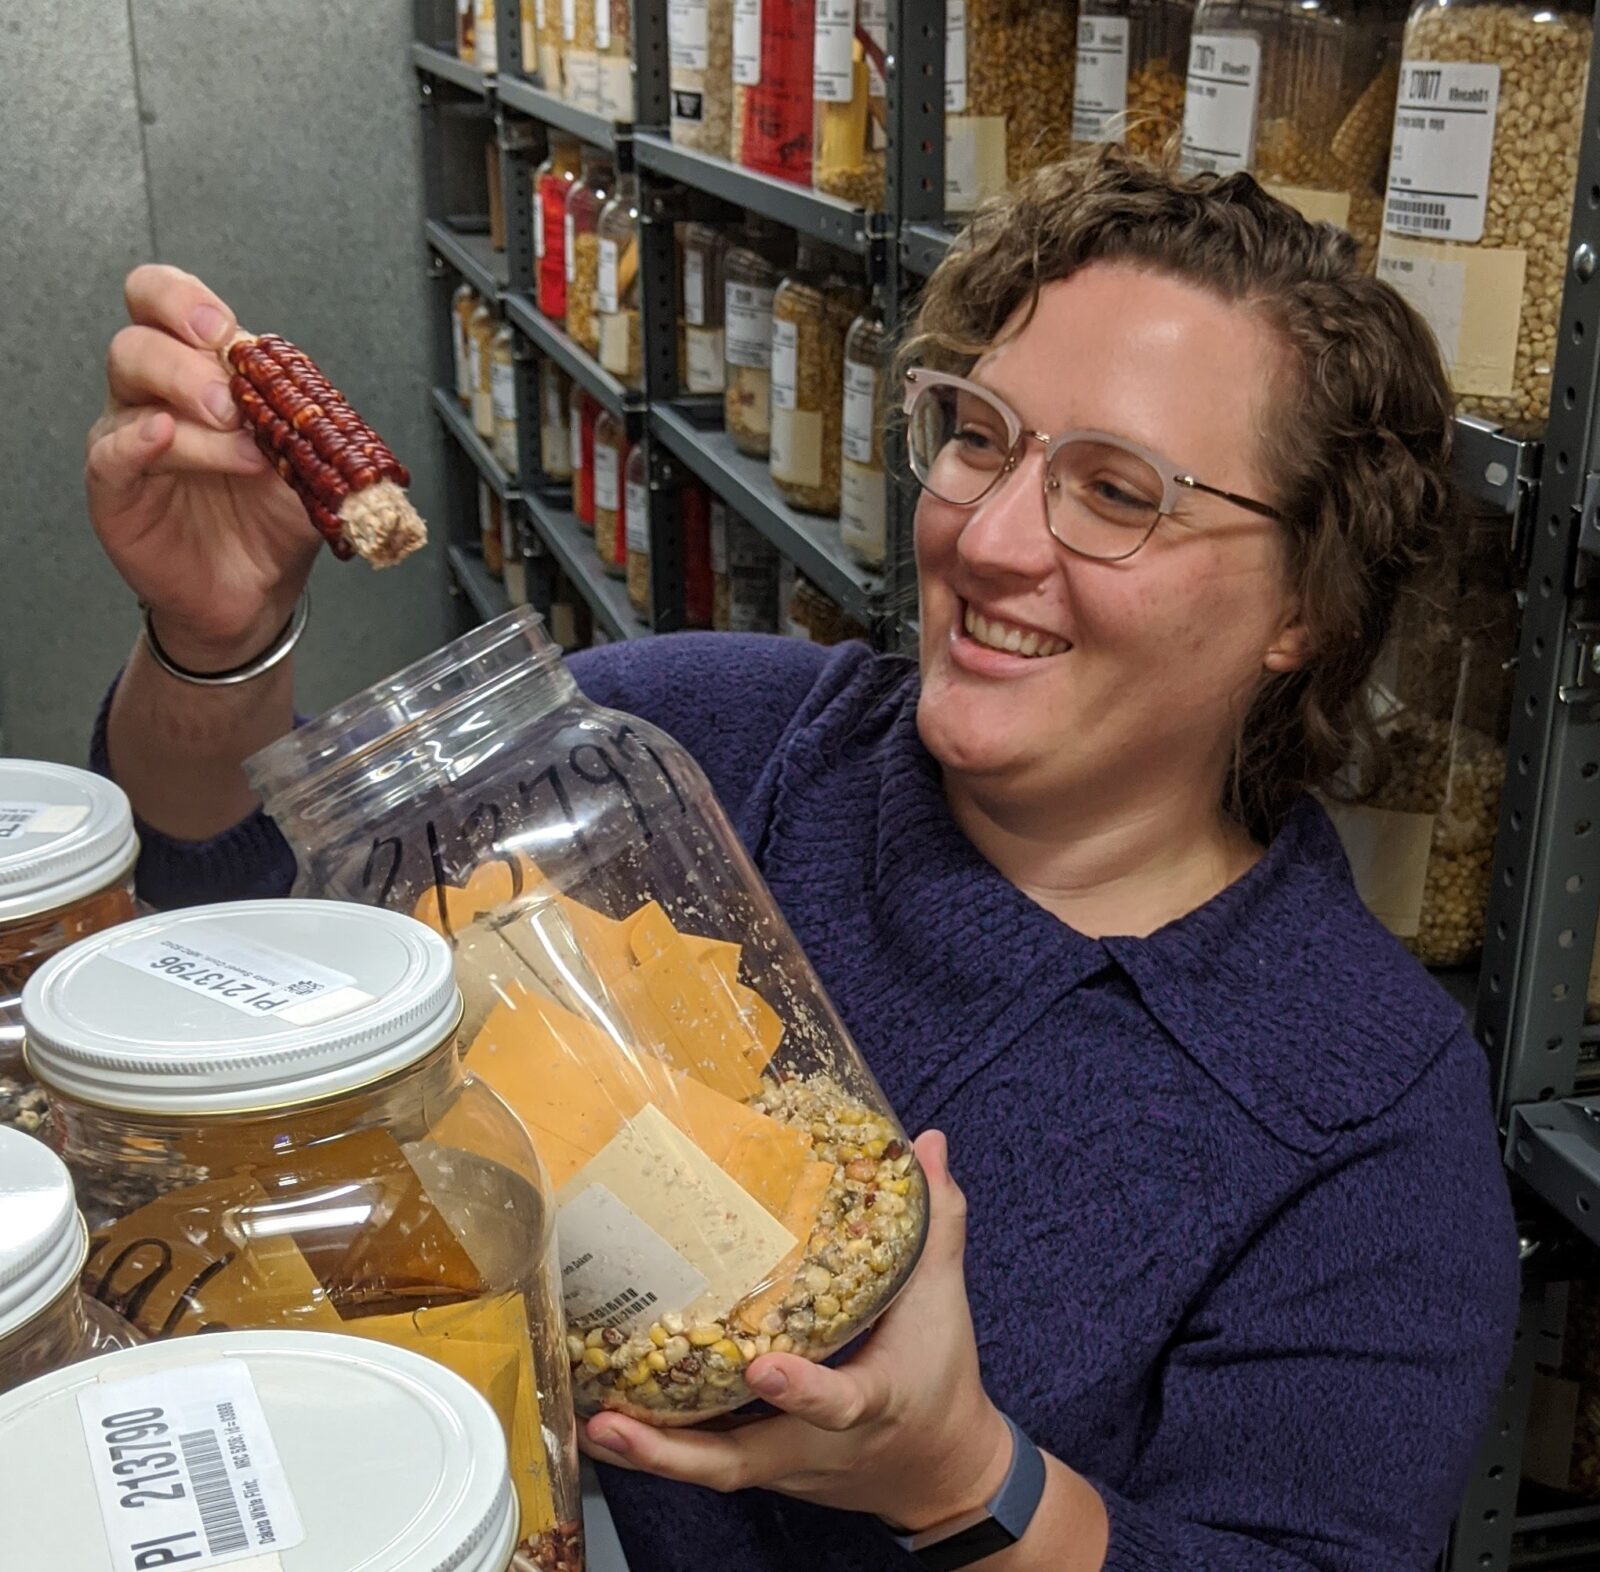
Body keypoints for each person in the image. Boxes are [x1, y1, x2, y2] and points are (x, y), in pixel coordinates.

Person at [84, 149, 1518, 1571]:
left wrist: (969, 1485)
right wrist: (220, 648)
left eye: (1116, 491)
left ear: (1309, 606)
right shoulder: (695, 746)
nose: (993, 537)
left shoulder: (1365, 1113)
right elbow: (239, 929)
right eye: (978, 434)